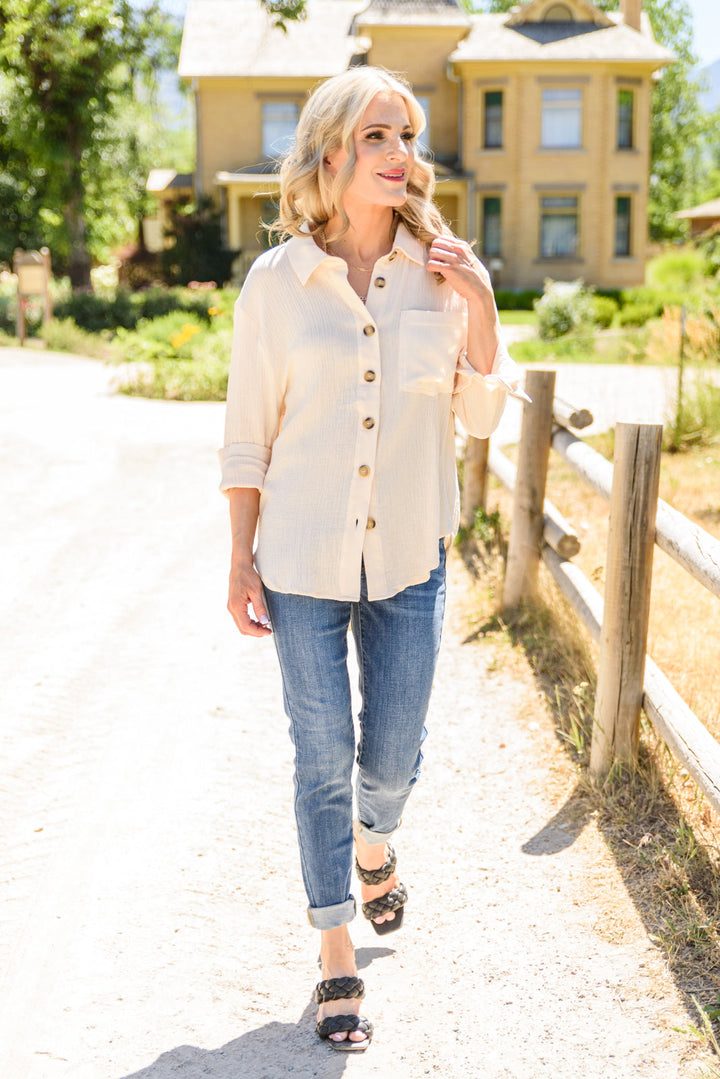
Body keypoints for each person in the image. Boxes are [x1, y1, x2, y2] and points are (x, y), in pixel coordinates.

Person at [220, 65, 521, 1052]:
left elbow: (482, 417)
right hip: (299, 555)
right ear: (331, 153)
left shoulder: (441, 270)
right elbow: (248, 432)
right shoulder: (276, 284)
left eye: (408, 136)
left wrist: (481, 302)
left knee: (390, 758)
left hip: (408, 554)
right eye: (378, 136)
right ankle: (334, 946)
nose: (401, 155)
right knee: (320, 756)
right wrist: (239, 558)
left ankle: (375, 843)